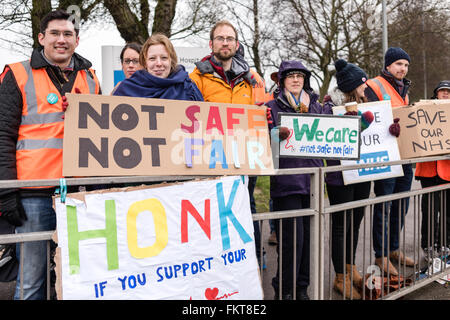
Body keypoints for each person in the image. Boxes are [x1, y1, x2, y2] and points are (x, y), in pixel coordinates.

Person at [0, 9, 101, 300]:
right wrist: (6, 193)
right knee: (31, 282)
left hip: (79, 194)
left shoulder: (91, 78)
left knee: (77, 279)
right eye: (54, 33)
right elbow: (3, 137)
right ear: (41, 37)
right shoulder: (17, 74)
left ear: (77, 40)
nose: (61, 40)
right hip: (33, 195)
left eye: (68, 34)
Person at [189, 20, 269, 269]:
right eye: (220, 38)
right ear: (211, 44)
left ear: (237, 44)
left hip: (245, 157)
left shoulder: (253, 79)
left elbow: (265, 110)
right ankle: (215, 268)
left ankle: (252, 263)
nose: (225, 43)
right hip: (210, 161)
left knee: (248, 207)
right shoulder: (197, 77)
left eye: (230, 39)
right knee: (212, 213)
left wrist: (266, 116)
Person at [267, 60, 330, 300]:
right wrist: (274, 135)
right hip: (286, 185)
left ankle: (302, 288)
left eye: (300, 76)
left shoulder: (315, 106)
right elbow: (260, 141)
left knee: (308, 244)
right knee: (291, 244)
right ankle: (283, 289)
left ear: (305, 80)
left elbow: (338, 137)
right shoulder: (271, 107)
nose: (295, 79)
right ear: (282, 80)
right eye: (291, 76)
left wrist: (363, 122)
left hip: (312, 184)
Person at [324, 59, 375, 299]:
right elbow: (330, 137)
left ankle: (350, 267)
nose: (366, 87)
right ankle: (339, 277)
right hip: (339, 175)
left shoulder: (366, 103)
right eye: (363, 84)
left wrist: (389, 129)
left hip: (363, 172)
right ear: (353, 86)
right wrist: (357, 124)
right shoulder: (328, 105)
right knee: (341, 225)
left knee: (355, 222)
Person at [365, 47, 413, 275]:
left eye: (405, 65)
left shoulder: (404, 88)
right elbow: (369, 118)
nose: (402, 68)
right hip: (385, 156)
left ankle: (394, 249)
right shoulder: (375, 85)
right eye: (398, 64)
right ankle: (381, 255)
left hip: (404, 155)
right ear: (388, 65)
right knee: (384, 204)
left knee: (401, 204)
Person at [415, 80, 450, 258]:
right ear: (436, 93)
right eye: (442, 91)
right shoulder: (423, 111)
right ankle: (428, 245)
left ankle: (445, 244)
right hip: (429, 170)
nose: (445, 94)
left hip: (448, 170)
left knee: (447, 210)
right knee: (429, 209)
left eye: (448, 91)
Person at [113, 33, 203, 101]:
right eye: (152, 58)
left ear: (171, 60)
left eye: (164, 58)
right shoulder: (126, 89)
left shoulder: (188, 88)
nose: (159, 63)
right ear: (145, 62)